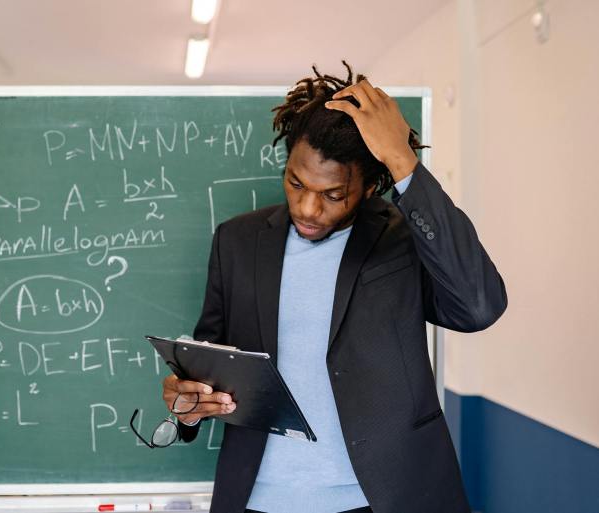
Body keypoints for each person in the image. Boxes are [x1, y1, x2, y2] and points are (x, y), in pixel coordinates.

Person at [160, 62, 507, 513]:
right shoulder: (238, 240)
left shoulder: (401, 237)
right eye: (296, 182)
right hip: (258, 500)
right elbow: (209, 360)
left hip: (385, 498)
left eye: (332, 195)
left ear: (367, 188)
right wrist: (189, 401)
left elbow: (478, 305)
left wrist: (403, 160)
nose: (308, 207)